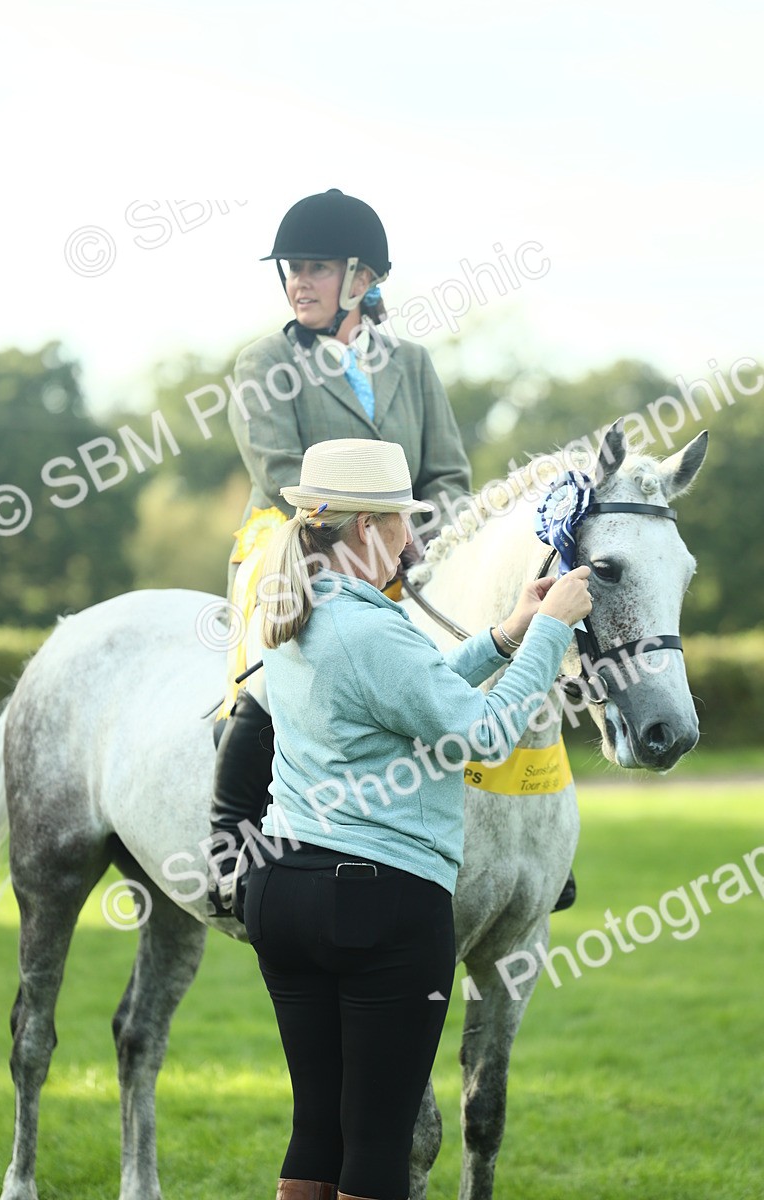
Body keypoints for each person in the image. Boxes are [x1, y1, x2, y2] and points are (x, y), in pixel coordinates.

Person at [241, 438, 592, 1200]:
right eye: (401, 522)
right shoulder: (372, 628)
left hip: (286, 886)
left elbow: (411, 688)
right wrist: (550, 633)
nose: (413, 538)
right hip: (378, 903)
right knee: (376, 1141)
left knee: (318, 1132)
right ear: (366, 530)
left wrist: (502, 636)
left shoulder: (301, 612)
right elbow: (486, 733)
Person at [209, 188, 473, 913]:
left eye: (317, 267)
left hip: (407, 546)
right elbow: (278, 472)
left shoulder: (412, 362)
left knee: (480, 634)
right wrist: (370, 535)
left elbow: (447, 470)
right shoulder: (263, 361)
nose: (299, 281)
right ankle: (228, 840)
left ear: (363, 280)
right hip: (301, 539)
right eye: (293, 268)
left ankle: (530, 844)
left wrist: (420, 535)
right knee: (268, 670)